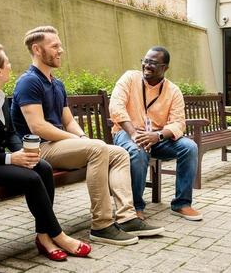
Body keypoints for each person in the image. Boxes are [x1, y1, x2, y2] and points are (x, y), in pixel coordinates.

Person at [10, 26, 164, 246]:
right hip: (38, 149)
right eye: (54, 46)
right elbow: (38, 127)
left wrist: (81, 137)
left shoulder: (57, 84)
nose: (60, 50)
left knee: (119, 153)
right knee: (97, 148)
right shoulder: (29, 81)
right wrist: (80, 142)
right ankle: (101, 225)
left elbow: (69, 121)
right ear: (37, 49)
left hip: (59, 145)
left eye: (59, 45)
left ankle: (127, 217)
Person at [0, 43, 90, 262]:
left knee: (42, 166)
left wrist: (23, 153)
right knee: (32, 178)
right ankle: (57, 234)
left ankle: (43, 236)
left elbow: (11, 134)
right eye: (7, 62)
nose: (10, 66)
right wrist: (10, 158)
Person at [109, 46, 202, 221]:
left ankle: (182, 203)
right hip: (126, 132)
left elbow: (178, 122)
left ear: (165, 68)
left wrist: (158, 136)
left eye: (153, 62)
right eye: (145, 61)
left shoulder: (173, 90)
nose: (147, 65)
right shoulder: (129, 78)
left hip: (157, 138)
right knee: (138, 150)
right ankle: (135, 206)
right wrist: (135, 134)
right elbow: (116, 107)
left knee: (189, 147)